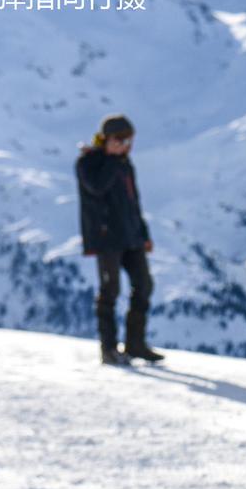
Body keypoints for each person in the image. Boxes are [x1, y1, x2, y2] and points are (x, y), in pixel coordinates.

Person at [76, 114, 159, 367]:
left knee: (143, 285)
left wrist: (143, 234)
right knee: (110, 292)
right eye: (120, 140)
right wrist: (111, 159)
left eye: (128, 140)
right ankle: (109, 348)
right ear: (107, 139)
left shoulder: (125, 164)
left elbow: (134, 202)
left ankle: (135, 344)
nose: (126, 145)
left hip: (131, 236)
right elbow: (96, 187)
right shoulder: (89, 162)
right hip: (106, 238)